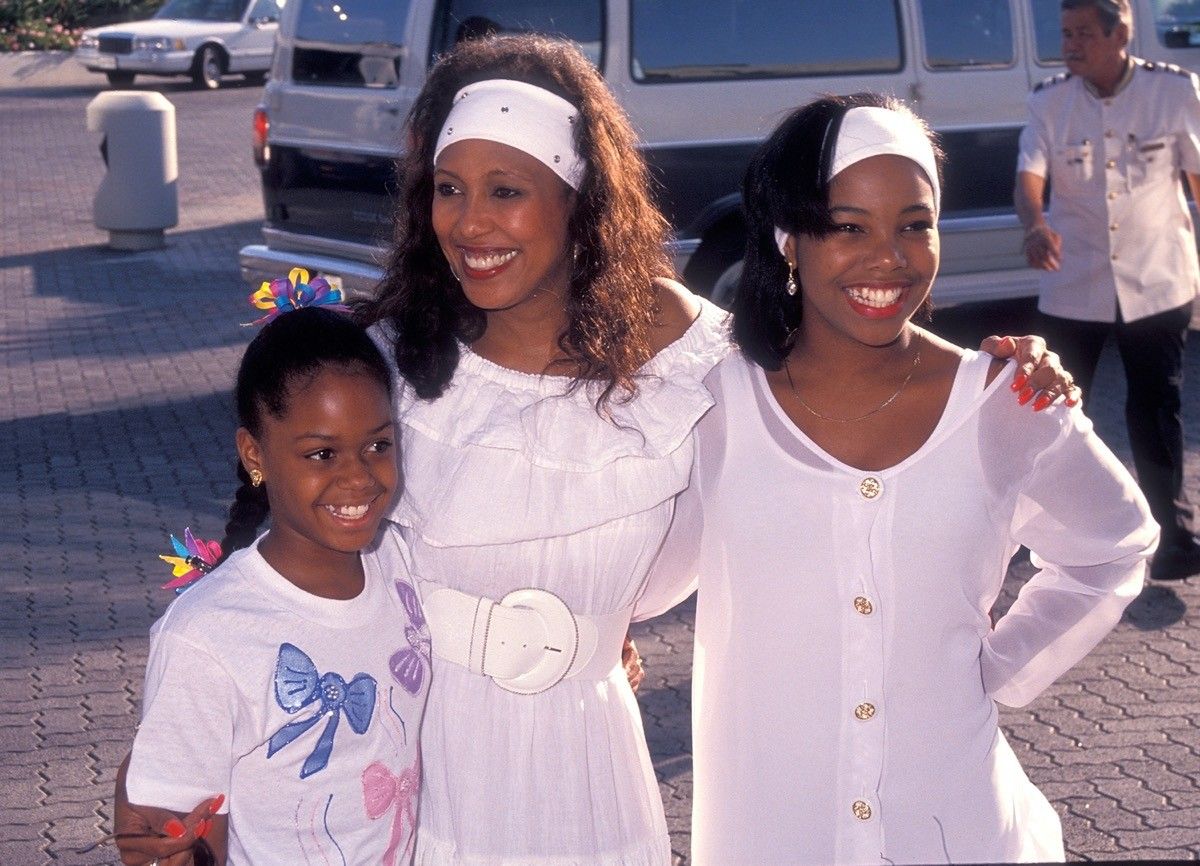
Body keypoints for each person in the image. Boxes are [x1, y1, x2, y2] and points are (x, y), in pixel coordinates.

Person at [114, 36, 1077, 866]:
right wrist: (180, 745)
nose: (471, 222)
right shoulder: (390, 361)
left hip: (595, 769)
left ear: (579, 197)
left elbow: (829, 379)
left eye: (507, 191)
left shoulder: (693, 358)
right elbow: (282, 562)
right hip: (421, 769)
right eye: (449, 190)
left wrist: (1005, 366)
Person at [639, 93, 1158, 864]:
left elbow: (1116, 544)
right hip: (774, 831)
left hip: (954, 826)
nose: (889, 257)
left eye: (915, 225)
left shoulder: (1002, 400)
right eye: (848, 226)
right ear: (789, 239)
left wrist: (999, 666)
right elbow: (645, 570)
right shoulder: (714, 400)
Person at [117, 304, 428, 865]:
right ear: (254, 454)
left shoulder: (401, 565)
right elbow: (167, 832)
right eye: (322, 453)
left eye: (378, 445)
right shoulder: (208, 636)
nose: (358, 476)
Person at [1014, 0, 1200, 581]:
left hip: (1158, 278)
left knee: (1156, 410)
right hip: (1078, 282)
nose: (1070, 45)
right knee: (1056, 409)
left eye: (1083, 34)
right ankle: (1047, 533)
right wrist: (1034, 225)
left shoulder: (1174, 92)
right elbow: (1029, 176)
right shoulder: (1050, 101)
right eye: (1065, 34)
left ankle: (1172, 539)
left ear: (1120, 33)